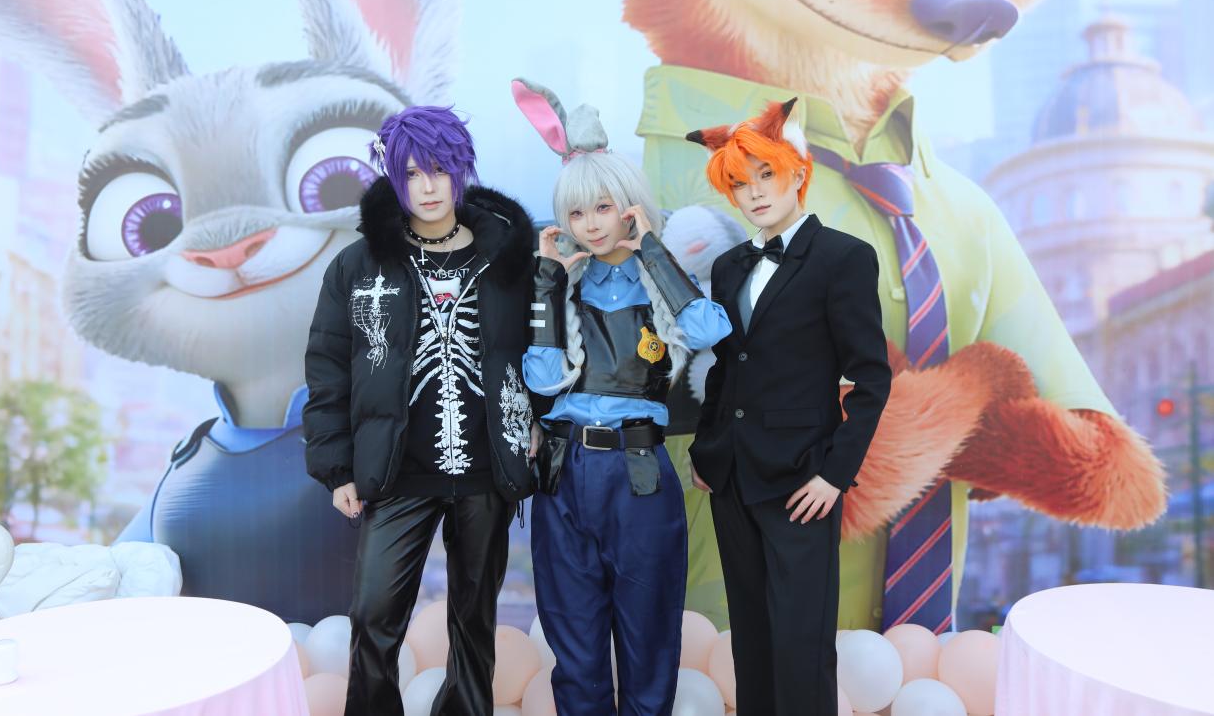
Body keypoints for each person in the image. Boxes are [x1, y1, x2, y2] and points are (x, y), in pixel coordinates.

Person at [302, 105, 538, 715]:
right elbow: (327, 369)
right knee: (373, 615)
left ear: (461, 171)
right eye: (410, 173)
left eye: (439, 169)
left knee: (474, 623)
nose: (427, 187)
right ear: (392, 177)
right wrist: (337, 467)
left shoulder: (507, 261)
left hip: (486, 469)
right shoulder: (358, 265)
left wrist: (534, 424)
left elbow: (539, 351)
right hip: (396, 469)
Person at [513, 78, 732, 715]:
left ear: (628, 208)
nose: (591, 225)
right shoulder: (562, 282)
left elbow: (710, 331)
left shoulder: (657, 274)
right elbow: (543, 379)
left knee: (649, 634)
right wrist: (548, 281)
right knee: (574, 638)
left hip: (639, 473)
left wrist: (653, 252)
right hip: (565, 471)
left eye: (603, 209)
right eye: (577, 214)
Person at [686, 98, 892, 715]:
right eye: (739, 183)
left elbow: (871, 379)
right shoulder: (728, 266)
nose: (753, 193)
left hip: (803, 479)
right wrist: (707, 450)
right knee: (750, 639)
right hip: (732, 477)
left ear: (798, 171)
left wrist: (834, 474)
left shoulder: (843, 258)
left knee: (801, 643)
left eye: (765, 175)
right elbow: (726, 365)